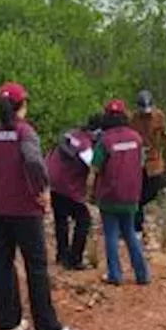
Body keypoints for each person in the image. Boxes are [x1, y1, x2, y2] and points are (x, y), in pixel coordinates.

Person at [0, 82, 80, 330]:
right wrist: (43, 191)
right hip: (24, 209)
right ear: (22, 105)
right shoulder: (25, 132)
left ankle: (7, 321)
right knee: (36, 266)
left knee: (2, 263)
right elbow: (35, 162)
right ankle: (47, 327)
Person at [91, 99, 151, 286]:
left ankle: (115, 274)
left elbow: (95, 167)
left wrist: (89, 192)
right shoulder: (136, 138)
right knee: (130, 232)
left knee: (110, 234)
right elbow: (141, 164)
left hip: (109, 195)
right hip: (131, 195)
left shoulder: (105, 140)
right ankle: (142, 274)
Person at [46, 113, 103, 270]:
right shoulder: (85, 145)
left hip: (53, 183)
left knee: (61, 220)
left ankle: (62, 254)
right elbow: (93, 166)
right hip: (68, 188)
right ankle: (74, 259)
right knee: (83, 220)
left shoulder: (72, 134)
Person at [130, 89, 166, 244]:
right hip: (137, 162)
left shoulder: (159, 116)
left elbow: (163, 131)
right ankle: (136, 228)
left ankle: (136, 217)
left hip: (154, 160)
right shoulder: (133, 119)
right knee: (137, 196)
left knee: (149, 193)